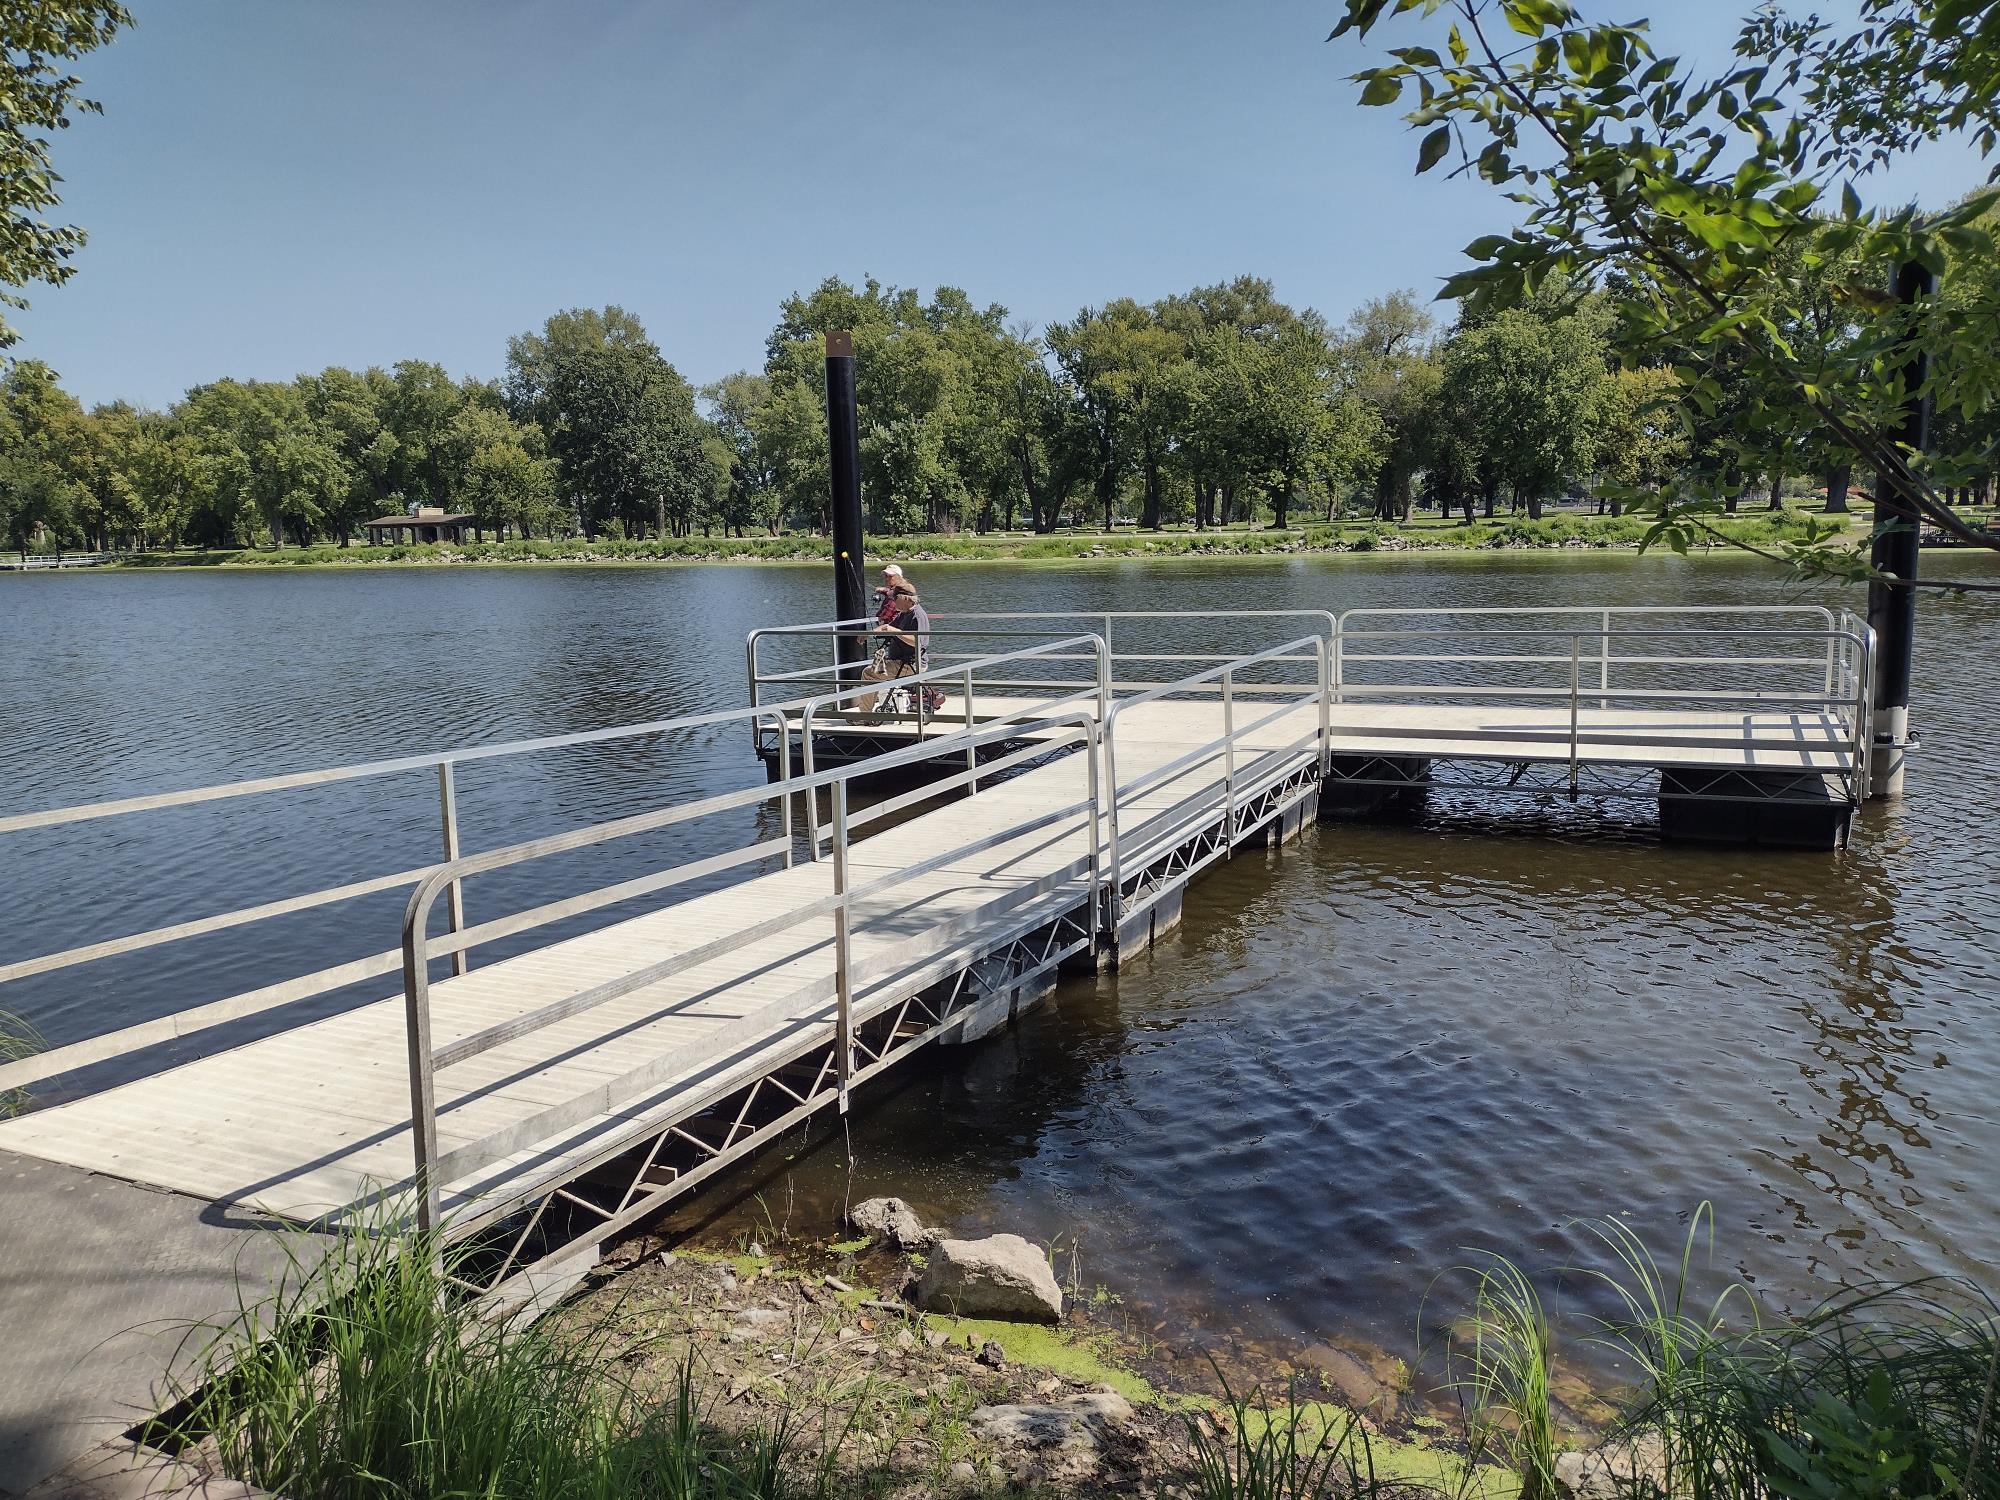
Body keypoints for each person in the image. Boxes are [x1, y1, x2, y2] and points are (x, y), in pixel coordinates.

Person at [858, 583, 926, 716]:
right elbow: (887, 627)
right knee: (875, 667)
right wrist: (870, 633)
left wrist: (894, 631)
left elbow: (918, 642)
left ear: (905, 598)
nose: (893, 602)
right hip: (899, 662)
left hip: (911, 664)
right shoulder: (904, 614)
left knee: (869, 673)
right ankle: (867, 712)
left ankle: (864, 716)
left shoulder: (917, 615)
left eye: (895, 598)